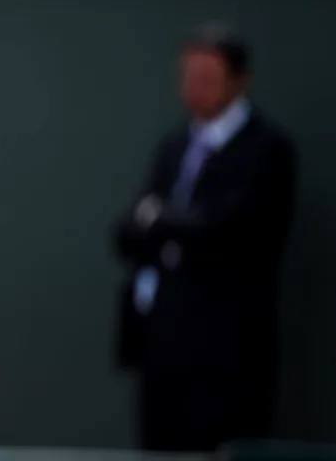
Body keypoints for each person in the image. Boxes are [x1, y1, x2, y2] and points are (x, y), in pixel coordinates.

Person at [112, 23, 296, 453]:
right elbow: (129, 230)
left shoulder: (267, 150)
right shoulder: (175, 145)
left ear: (240, 80)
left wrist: (162, 222)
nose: (194, 88)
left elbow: (225, 232)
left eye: (207, 78)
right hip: (162, 342)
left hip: (227, 352)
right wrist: (168, 225)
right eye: (188, 76)